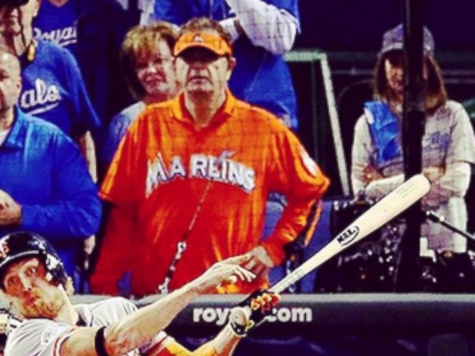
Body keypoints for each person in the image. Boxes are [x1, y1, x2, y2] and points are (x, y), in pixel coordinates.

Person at [91, 17, 330, 297]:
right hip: (159, 301)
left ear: (228, 67)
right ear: (176, 67)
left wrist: (275, 248)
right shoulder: (147, 126)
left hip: (234, 301)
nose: (197, 68)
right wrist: (104, 288)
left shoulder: (262, 128)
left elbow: (311, 191)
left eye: (208, 58)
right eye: (188, 59)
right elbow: (121, 215)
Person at [0, 231, 279, 356]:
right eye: (11, 282)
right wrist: (197, 286)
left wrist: (236, 326)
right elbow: (115, 342)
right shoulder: (26, 340)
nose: (24, 286)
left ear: (55, 270)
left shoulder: (115, 311)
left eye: (31, 271)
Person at [350, 24, 475, 292]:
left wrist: (386, 184)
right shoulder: (367, 123)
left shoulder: (454, 115)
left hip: (448, 250)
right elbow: (361, 191)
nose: (401, 72)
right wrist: (426, 178)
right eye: (394, 62)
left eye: (411, 63)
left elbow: (459, 182)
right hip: (389, 254)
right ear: (382, 67)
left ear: (428, 67)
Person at [0, 46, 101, 283]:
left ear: (18, 86)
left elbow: (87, 215)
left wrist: (22, 215)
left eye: (2, 76)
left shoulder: (51, 142)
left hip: (41, 292)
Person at [152, 0, 300, 129]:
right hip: (197, 111)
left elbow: (282, 38)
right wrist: (235, 26)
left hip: (264, 105)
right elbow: (166, 43)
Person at [0, 0, 101, 182]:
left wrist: (89, 190)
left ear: (37, 6)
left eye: (19, 3)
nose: (11, 11)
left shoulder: (59, 59)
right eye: (3, 3)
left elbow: (83, 134)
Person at [33, 0, 136, 125]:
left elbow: (122, 71)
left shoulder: (105, 9)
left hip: (97, 110)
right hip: (43, 109)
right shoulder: (24, 11)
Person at [101, 21, 180, 171]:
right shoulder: (125, 122)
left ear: (177, 62)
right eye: (141, 65)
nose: (151, 71)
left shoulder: (198, 112)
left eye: (159, 61)